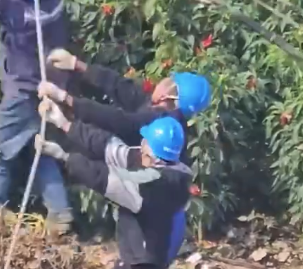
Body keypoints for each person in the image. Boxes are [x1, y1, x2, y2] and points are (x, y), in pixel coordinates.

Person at [38, 49, 211, 257]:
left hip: (153, 219)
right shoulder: (161, 114)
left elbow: (117, 124)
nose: (162, 81)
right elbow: (121, 89)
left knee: (138, 263)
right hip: (160, 213)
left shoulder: (160, 127)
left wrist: (66, 101)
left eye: (167, 81)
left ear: (169, 95)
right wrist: (77, 65)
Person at [35, 96, 192, 269]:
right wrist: (64, 124)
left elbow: (107, 178)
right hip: (136, 260)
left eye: (145, 143)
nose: (141, 145)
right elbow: (110, 148)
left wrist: (65, 157)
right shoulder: (161, 166)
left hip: (143, 267)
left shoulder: (151, 188)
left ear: (153, 155)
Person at [0, 0, 73, 232]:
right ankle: (60, 212)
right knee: (38, 147)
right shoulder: (55, 5)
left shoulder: (17, 14)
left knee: (1, 143)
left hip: (22, 89)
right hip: (51, 87)